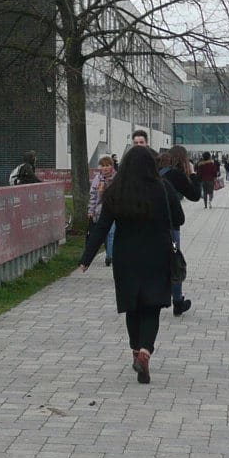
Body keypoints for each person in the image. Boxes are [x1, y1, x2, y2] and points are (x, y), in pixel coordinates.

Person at [77, 144, 183, 384]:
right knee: (152, 306)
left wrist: (87, 258)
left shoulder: (117, 190)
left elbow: (102, 226)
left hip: (126, 258)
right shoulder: (163, 188)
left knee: (132, 306)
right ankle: (146, 351)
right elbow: (179, 218)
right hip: (157, 255)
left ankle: (136, 351)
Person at [160, 144, 202, 315]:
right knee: (174, 259)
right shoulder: (177, 175)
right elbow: (194, 195)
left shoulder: (157, 172)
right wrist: (193, 174)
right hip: (171, 228)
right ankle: (177, 300)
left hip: (150, 225)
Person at [89, 154, 115, 266]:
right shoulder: (97, 179)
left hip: (114, 211)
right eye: (103, 166)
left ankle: (110, 256)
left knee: (111, 233)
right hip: (100, 211)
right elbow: (93, 196)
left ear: (112, 166)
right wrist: (90, 210)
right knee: (103, 234)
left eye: (107, 165)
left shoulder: (117, 178)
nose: (105, 168)